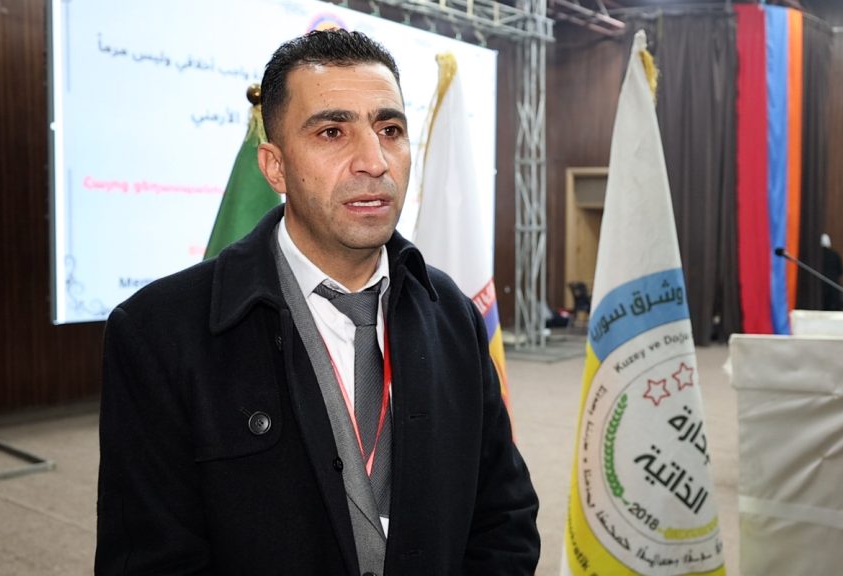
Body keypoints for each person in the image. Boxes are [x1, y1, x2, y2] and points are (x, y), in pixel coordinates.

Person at [95, 29, 540, 575]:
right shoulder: (160, 333)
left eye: (390, 130)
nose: (374, 161)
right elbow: (150, 560)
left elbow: (504, 517)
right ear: (274, 166)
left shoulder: (452, 313)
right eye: (333, 132)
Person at [821, 233, 843, 310]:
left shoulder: (818, 256)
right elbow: (841, 271)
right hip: (834, 285)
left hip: (822, 286)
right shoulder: (835, 255)